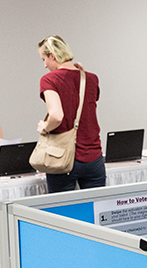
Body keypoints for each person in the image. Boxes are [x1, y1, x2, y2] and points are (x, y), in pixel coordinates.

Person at [37, 35, 104, 192]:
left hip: (63, 159)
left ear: (52, 55)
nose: (45, 65)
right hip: (94, 157)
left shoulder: (49, 79)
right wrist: (82, 75)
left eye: (44, 59)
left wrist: (44, 127)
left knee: (62, 214)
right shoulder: (91, 78)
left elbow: (56, 115)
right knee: (96, 211)